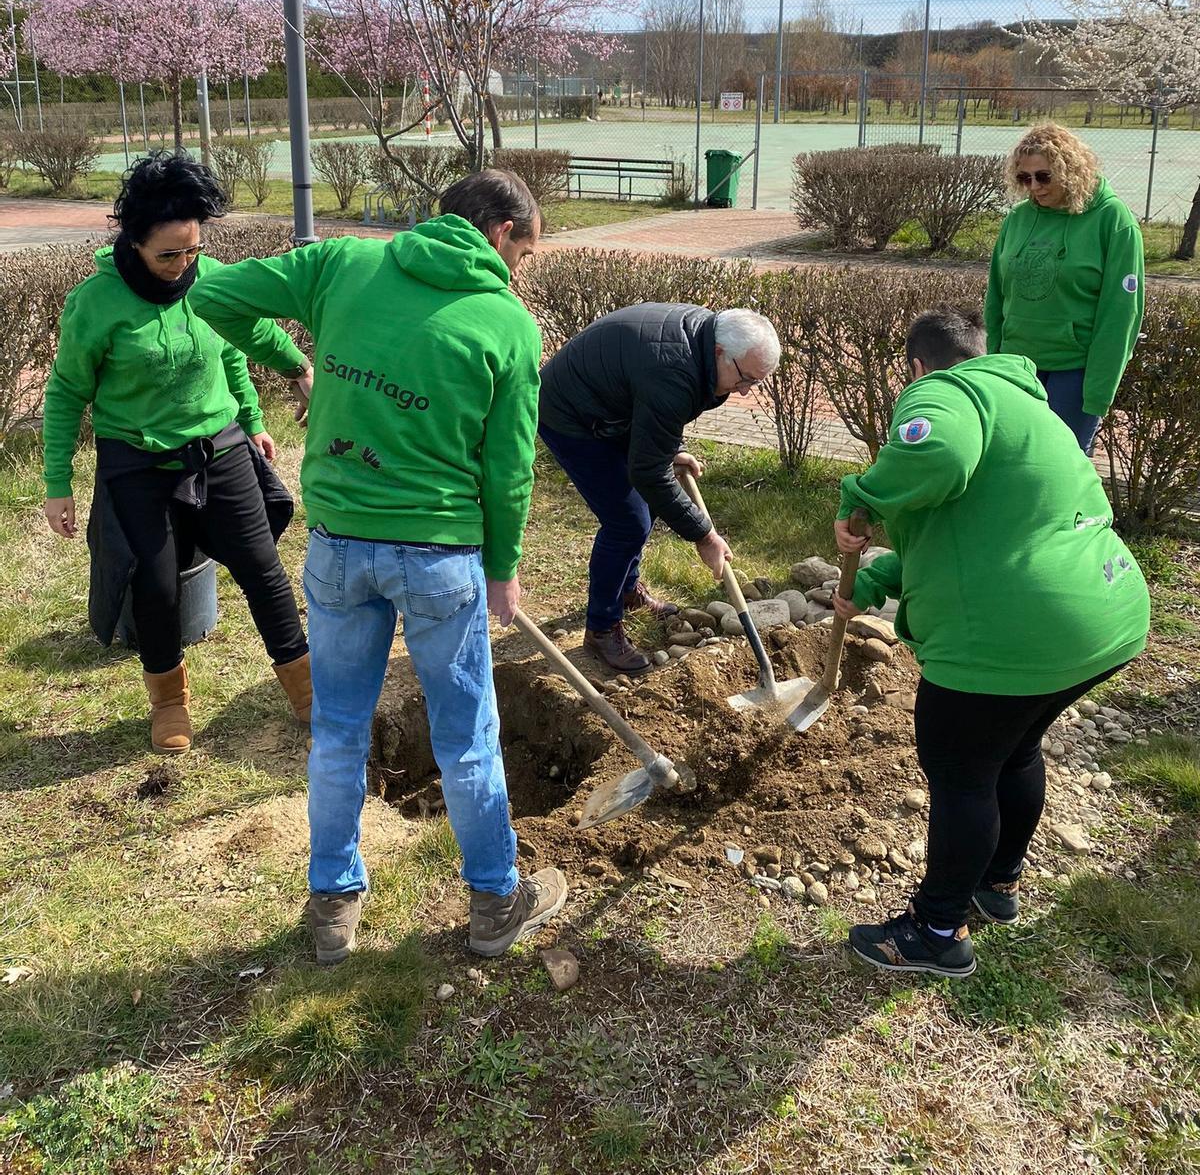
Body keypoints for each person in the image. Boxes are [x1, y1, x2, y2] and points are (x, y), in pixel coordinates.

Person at [190, 168, 567, 965]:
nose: (519, 271)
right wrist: (505, 568)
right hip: (441, 557)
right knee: (467, 740)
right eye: (524, 253)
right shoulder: (507, 323)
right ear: (500, 232)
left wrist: (304, 359)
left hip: (337, 549)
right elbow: (508, 471)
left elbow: (212, 296)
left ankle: (333, 906)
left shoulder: (340, 265)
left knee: (335, 731)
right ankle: (496, 901)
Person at [832, 306, 1149, 979]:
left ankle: (936, 931)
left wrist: (860, 495)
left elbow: (939, 457)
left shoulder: (947, 389)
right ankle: (997, 887)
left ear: (914, 368)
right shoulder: (1022, 404)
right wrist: (878, 578)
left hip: (1021, 633)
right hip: (1107, 612)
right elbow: (970, 527)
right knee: (1013, 748)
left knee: (962, 772)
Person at [42, 154, 312, 755]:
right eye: (168, 254)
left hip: (217, 445)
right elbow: (64, 394)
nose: (182, 265)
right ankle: (168, 701)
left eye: (192, 250)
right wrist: (56, 481)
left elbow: (241, 344)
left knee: (261, 566)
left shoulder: (212, 279)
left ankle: (304, 687)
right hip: (136, 461)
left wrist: (283, 386)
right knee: (157, 587)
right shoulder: (97, 302)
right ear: (134, 240)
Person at [538, 305, 781, 672]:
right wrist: (704, 535)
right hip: (571, 413)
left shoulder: (703, 343)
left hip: (613, 404)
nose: (746, 391)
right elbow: (649, 468)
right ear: (720, 352)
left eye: (755, 382)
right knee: (627, 521)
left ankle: (626, 589)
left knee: (646, 504)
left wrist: (671, 447)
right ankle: (602, 628)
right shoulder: (676, 366)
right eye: (745, 378)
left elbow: (663, 404)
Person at [984, 121, 1144, 452]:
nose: (1034, 187)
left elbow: (1120, 314)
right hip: (1017, 367)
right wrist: (993, 362)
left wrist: (1098, 391)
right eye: (1024, 178)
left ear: (1069, 170)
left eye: (1043, 176)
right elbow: (996, 297)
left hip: (1074, 372)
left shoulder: (1113, 221)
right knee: (1011, 464)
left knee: (1058, 469)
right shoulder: (1017, 220)